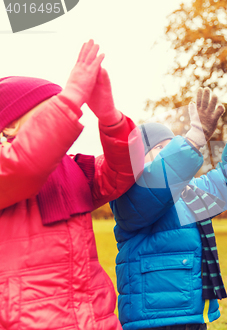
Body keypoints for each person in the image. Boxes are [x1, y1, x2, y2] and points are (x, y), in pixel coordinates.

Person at [0, 40, 140, 329]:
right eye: (50, 109)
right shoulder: (8, 170)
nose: (69, 112)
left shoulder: (72, 169)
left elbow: (125, 172)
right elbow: (24, 165)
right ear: (9, 124)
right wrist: (72, 95)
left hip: (93, 318)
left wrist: (110, 118)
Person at [110, 88, 227, 330]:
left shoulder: (189, 193)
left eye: (171, 145)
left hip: (191, 312)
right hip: (153, 316)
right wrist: (195, 136)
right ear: (137, 160)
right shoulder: (130, 196)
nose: (169, 152)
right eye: (159, 148)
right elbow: (160, 182)